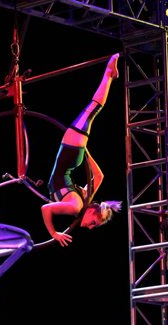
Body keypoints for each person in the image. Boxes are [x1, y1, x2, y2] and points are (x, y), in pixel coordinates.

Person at [41, 52, 123, 247]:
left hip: (74, 155)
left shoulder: (85, 198)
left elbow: (100, 176)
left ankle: (110, 75)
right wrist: (54, 233)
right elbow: (45, 209)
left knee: (92, 112)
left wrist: (85, 153)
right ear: (91, 211)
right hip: (71, 153)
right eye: (93, 222)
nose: (90, 227)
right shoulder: (76, 206)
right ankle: (109, 72)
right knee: (92, 109)